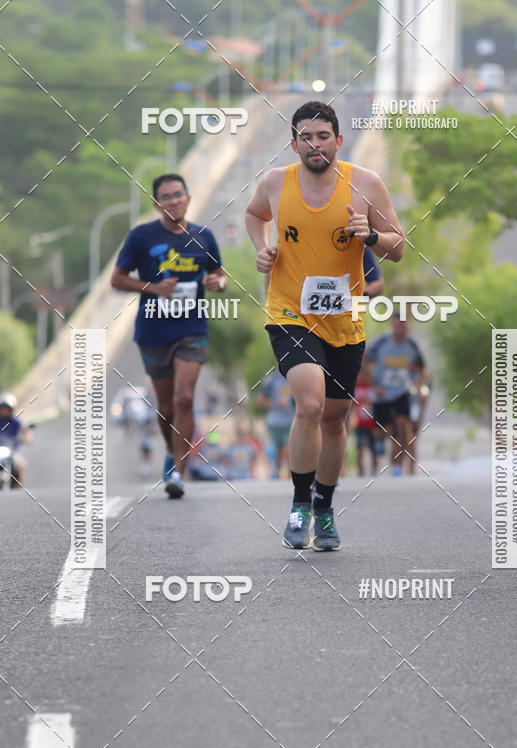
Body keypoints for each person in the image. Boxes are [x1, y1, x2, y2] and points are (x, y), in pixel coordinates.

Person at [245, 100, 404, 550]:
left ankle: (324, 508)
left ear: (338, 139)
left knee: (335, 420)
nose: (313, 144)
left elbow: (398, 248)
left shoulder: (366, 184)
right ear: (293, 142)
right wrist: (262, 247)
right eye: (304, 137)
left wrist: (369, 236)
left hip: (344, 320)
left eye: (322, 136)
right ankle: (298, 504)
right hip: (290, 312)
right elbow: (255, 215)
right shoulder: (277, 182)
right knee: (310, 404)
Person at [111, 173, 226, 499]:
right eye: (166, 196)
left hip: (192, 330)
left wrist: (218, 283)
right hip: (153, 330)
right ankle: (171, 451)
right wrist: (152, 287)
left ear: (188, 198)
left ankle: (178, 468)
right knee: (165, 407)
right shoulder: (141, 237)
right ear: (156, 204)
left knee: (184, 398)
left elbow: (219, 274)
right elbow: (117, 279)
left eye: (179, 194)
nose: (173, 200)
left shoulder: (204, 237)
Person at [367, 315, 425, 476]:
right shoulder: (380, 343)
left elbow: (421, 368)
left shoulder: (412, 345)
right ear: (392, 325)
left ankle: (397, 465)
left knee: (402, 426)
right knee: (382, 431)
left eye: (404, 326)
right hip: (382, 393)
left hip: (402, 391)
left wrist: (418, 385)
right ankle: (378, 442)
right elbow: (365, 363)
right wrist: (375, 385)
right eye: (398, 325)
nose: (401, 328)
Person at [257, 370, 295, 478]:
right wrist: (276, 404)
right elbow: (260, 401)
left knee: (289, 449)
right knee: (277, 451)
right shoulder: (270, 380)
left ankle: (291, 474)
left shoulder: (295, 377)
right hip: (274, 423)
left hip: (291, 421)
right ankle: (277, 471)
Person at [0, 393, 33, 488]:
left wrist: (27, 437)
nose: (4, 411)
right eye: (2, 408)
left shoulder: (15, 421)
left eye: (7, 409)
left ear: (11, 409)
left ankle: (17, 490)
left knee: (20, 464)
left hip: (12, 451)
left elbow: (26, 430)